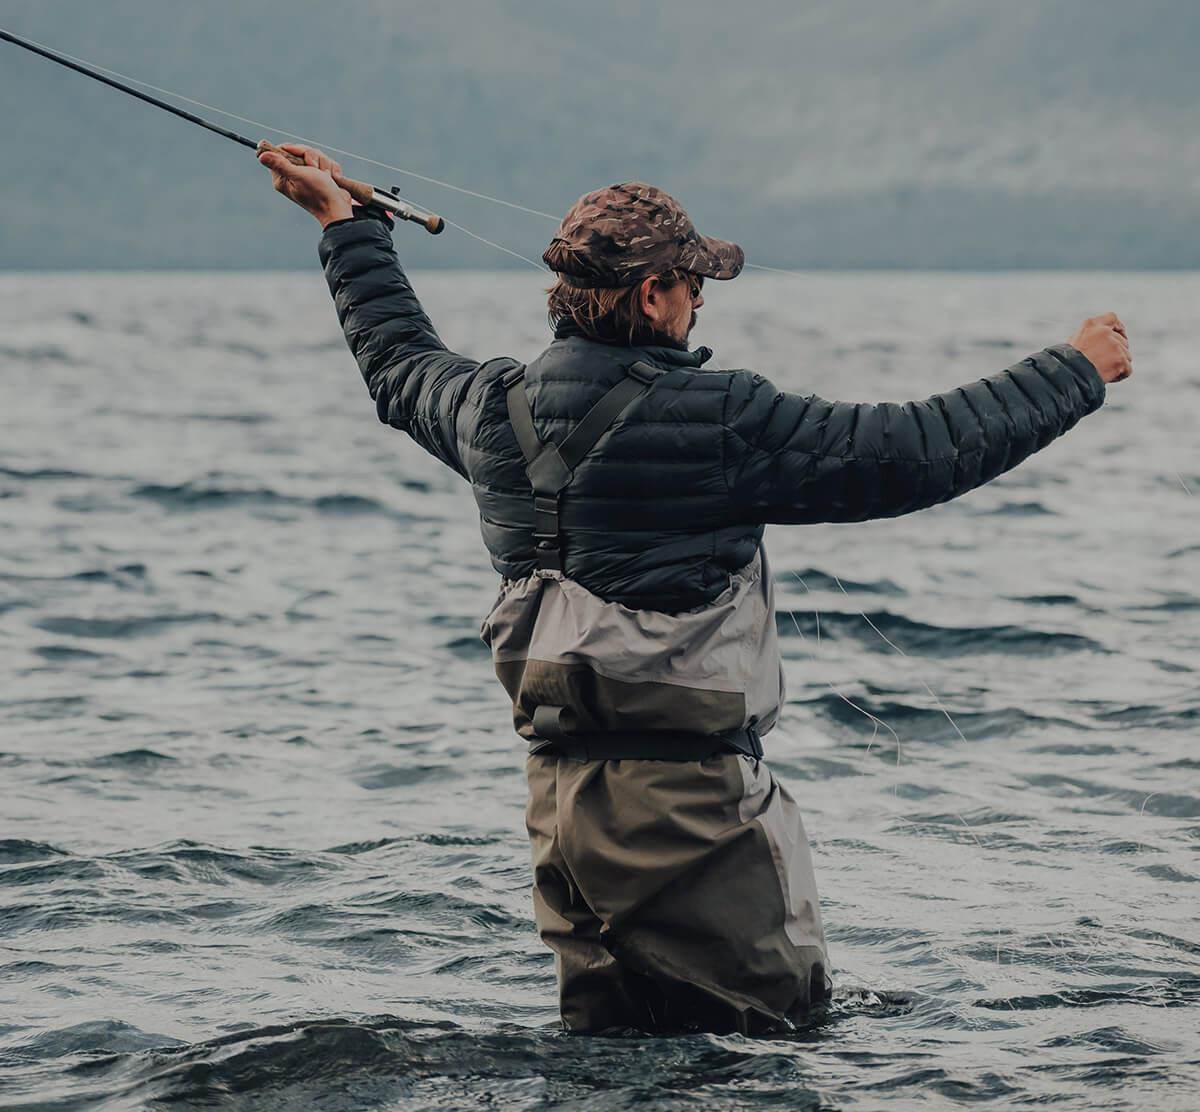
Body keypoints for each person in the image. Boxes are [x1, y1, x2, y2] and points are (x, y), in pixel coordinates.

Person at [258, 143, 1133, 1035]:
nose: (700, 300)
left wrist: (347, 227)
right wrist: (1073, 371)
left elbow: (397, 364)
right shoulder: (721, 417)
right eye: (692, 284)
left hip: (560, 812)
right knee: (763, 1047)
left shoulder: (491, 409)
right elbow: (910, 453)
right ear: (651, 296)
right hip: (693, 819)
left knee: (612, 1061)